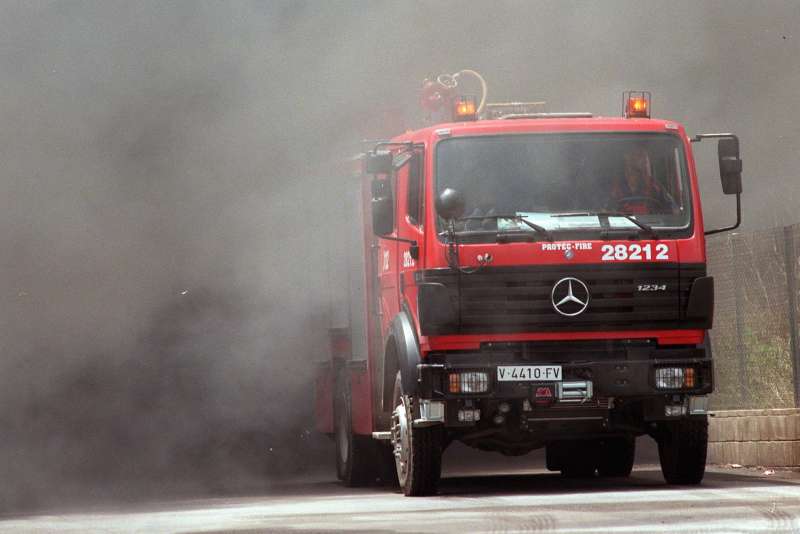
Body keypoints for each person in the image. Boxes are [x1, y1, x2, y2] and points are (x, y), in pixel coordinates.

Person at [609, 146, 677, 214]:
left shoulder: (654, 186)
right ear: (627, 157)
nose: (644, 160)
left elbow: (673, 210)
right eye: (639, 155)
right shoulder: (615, 187)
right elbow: (606, 211)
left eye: (645, 157)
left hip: (650, 221)